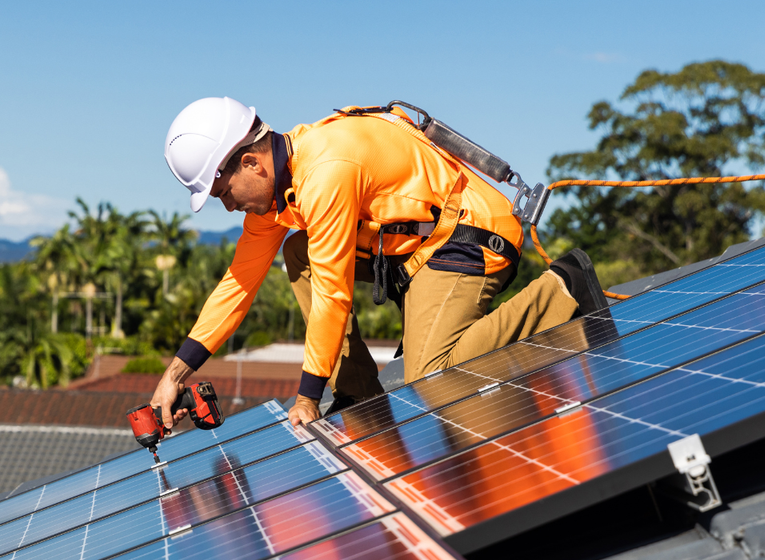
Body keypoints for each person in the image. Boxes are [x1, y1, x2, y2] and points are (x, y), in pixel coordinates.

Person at [151, 97, 608, 430]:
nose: (228, 207)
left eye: (224, 193)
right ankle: (358, 395)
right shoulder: (280, 194)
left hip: (469, 236)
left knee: (432, 375)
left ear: (251, 163)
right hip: (416, 253)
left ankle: (562, 288)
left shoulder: (327, 169)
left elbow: (334, 291)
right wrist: (175, 375)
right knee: (298, 251)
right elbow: (238, 284)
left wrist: (308, 397)